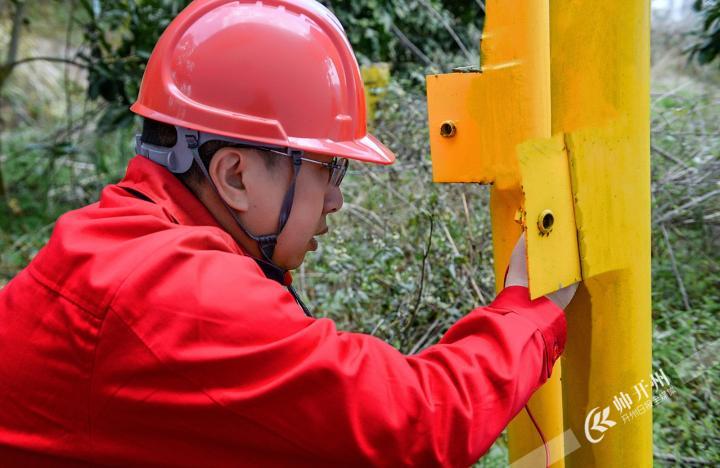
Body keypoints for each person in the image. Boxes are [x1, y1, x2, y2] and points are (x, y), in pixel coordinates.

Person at [0, 0, 578, 466]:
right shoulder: (173, 290)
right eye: (327, 169)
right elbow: (417, 423)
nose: (336, 199)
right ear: (234, 174)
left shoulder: (117, 237)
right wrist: (529, 308)